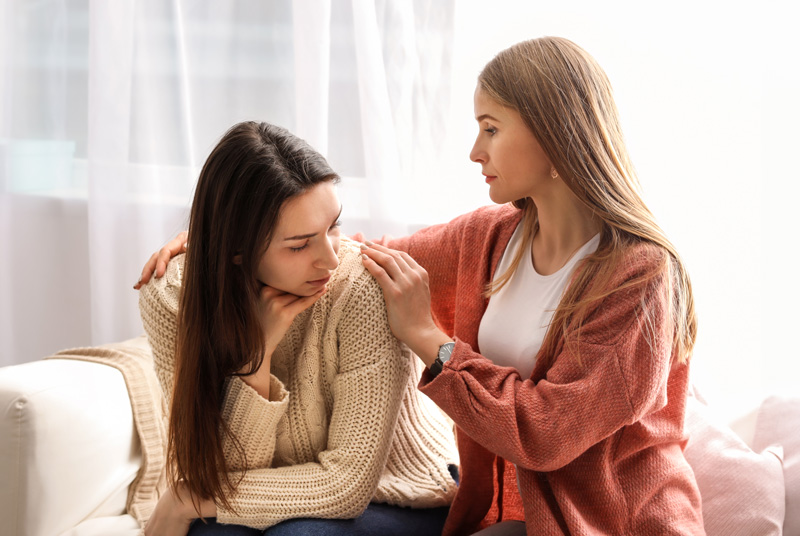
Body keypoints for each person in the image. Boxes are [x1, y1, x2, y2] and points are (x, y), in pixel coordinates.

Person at [139, 37, 705, 535]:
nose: (474, 151)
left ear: (555, 139)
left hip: (617, 521)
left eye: (490, 129)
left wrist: (431, 342)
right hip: (528, 519)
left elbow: (548, 433)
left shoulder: (641, 277)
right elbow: (363, 255)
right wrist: (223, 237)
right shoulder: (488, 237)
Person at [135, 121, 458, 536]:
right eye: (299, 245)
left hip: (397, 490)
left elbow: (345, 486)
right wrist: (256, 357)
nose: (329, 258)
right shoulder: (171, 297)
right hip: (268, 484)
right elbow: (221, 470)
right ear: (236, 250)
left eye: (333, 227)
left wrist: (187, 499)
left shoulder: (361, 291)